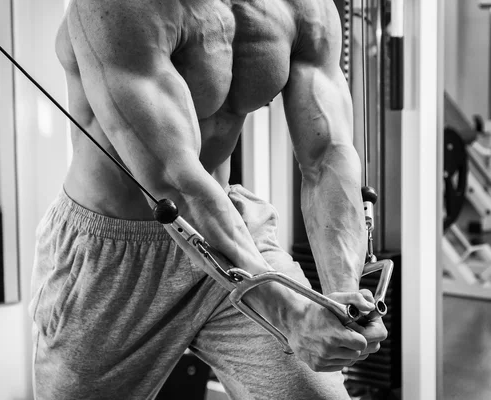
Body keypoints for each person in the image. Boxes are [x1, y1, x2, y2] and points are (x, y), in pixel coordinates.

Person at [29, 0, 388, 398]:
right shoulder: (116, 7)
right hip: (113, 258)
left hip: (231, 237)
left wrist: (343, 303)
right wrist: (289, 313)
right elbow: (173, 182)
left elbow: (327, 157)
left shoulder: (304, 9)